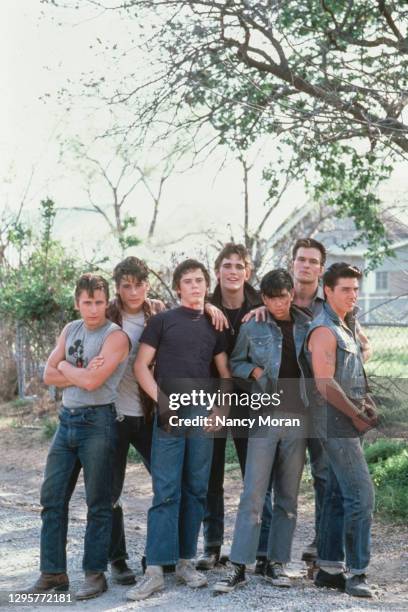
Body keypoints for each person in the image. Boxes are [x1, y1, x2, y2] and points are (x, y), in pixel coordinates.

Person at [245, 238, 371, 562]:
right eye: (301, 259)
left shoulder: (331, 305)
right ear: (293, 263)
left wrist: (347, 370)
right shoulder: (276, 300)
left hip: (323, 405)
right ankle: (264, 551)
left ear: (320, 268)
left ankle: (320, 546)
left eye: (313, 261)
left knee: (325, 475)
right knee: (273, 478)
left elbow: (361, 345)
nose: (306, 265)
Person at [126, 259, 230, 601]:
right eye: (188, 281)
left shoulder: (215, 324)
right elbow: (141, 366)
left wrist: (221, 407)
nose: (195, 286)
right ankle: (155, 569)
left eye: (200, 280)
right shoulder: (162, 321)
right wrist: (162, 400)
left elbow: (224, 374)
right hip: (170, 413)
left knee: (197, 488)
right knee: (166, 489)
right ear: (178, 287)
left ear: (206, 284)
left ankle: (186, 562)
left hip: (202, 413)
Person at [28, 273, 129, 600]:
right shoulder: (70, 329)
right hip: (67, 421)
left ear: (107, 301)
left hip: (99, 422)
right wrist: (80, 372)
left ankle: (95, 574)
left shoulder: (116, 337)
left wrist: (68, 370)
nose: (94, 309)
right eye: (87, 302)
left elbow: (92, 383)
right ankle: (54, 573)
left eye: (99, 302)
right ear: (77, 302)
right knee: (52, 497)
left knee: (98, 501)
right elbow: (47, 374)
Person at [214, 269, 311, 593]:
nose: (279, 303)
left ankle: (276, 563)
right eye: (272, 298)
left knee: (288, 497)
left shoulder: (307, 324)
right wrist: (253, 369)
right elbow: (236, 361)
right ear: (265, 299)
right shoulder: (253, 324)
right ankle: (239, 565)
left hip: (297, 418)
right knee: (253, 494)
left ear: (292, 293)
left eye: (284, 296)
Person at [197, 243, 272, 573]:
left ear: (248, 272)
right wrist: (203, 305)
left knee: (254, 476)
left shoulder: (262, 306)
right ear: (217, 272)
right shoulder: (203, 306)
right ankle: (212, 546)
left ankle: (261, 549)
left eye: (238, 265)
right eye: (226, 265)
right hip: (211, 398)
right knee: (210, 474)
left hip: (250, 399)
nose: (232, 271)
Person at [305, 262, 377, 598]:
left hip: (347, 420)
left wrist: (368, 401)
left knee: (335, 494)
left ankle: (330, 569)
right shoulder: (323, 329)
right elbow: (324, 384)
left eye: (356, 289)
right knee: (361, 495)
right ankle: (357, 573)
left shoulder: (346, 325)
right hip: (335, 425)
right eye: (345, 289)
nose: (352, 295)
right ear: (327, 290)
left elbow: (351, 373)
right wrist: (356, 416)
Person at [105, 256, 165, 585]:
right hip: (113, 413)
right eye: (126, 285)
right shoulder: (107, 313)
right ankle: (117, 559)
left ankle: (156, 555)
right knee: (110, 489)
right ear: (117, 287)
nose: (133, 291)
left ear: (147, 284)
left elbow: (188, 321)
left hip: (149, 413)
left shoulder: (157, 312)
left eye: (138, 284)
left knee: (166, 482)